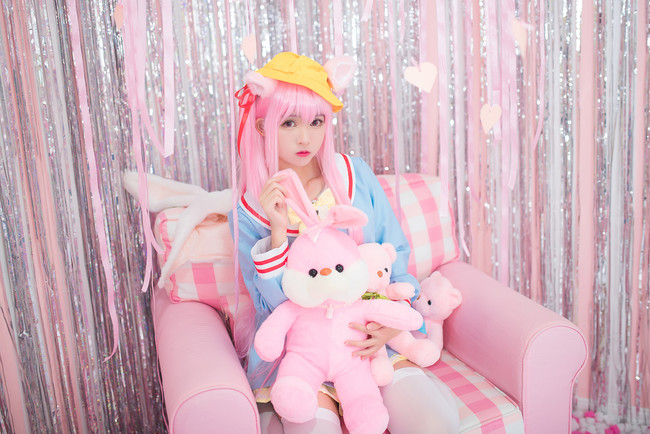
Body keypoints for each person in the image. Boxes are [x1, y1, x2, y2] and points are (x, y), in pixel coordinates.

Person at [230, 52, 460, 434]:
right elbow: (269, 307)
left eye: (316, 121)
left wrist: (390, 323)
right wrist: (277, 231)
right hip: (301, 354)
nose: (305, 137)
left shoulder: (355, 176)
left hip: (371, 338)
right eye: (289, 122)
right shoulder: (250, 210)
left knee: (435, 426)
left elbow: (393, 253)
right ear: (261, 126)